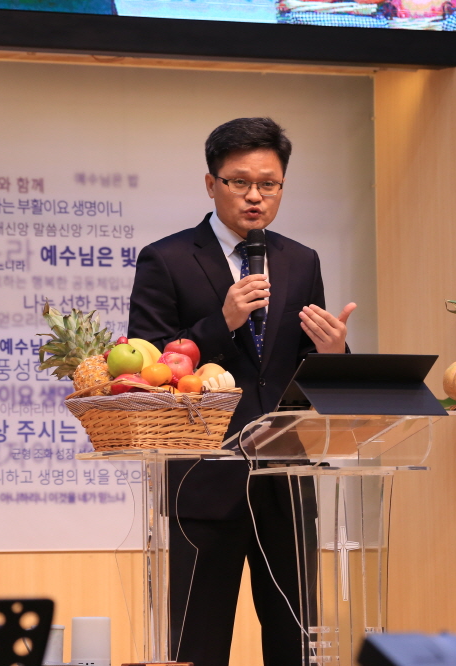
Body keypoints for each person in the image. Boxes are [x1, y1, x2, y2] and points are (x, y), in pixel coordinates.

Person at [126, 117, 356, 666]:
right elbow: (147, 365)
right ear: (212, 184)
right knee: (198, 643)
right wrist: (220, 324)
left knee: (295, 643)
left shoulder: (301, 260)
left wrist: (333, 353)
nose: (255, 196)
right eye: (240, 182)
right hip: (204, 480)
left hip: (286, 478)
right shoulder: (167, 259)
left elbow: (296, 371)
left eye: (268, 184)